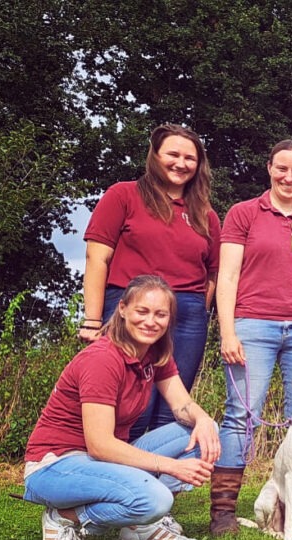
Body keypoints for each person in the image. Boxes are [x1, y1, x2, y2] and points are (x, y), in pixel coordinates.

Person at [23, 276, 220, 540]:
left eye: (160, 314)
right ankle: (63, 517)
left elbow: (182, 405)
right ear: (123, 309)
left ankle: (140, 526)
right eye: (142, 311)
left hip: (99, 460)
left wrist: (202, 420)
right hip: (55, 466)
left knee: (204, 431)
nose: (151, 321)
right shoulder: (102, 359)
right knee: (155, 499)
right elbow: (100, 445)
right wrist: (171, 466)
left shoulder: (153, 354)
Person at [210, 140, 292, 536]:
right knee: (240, 416)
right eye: (281, 169)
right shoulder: (244, 213)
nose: (289, 177)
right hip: (254, 325)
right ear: (269, 168)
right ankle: (223, 512)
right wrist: (227, 330)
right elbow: (228, 276)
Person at [82, 124, 221, 436]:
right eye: (173, 154)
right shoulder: (123, 195)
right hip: (130, 306)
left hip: (186, 313)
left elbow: (213, 273)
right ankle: (117, 479)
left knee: (173, 410)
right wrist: (92, 320)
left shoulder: (206, 215)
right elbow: (96, 258)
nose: (181, 163)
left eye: (190, 158)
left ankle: (159, 484)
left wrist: (198, 310)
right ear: (154, 156)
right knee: (133, 406)